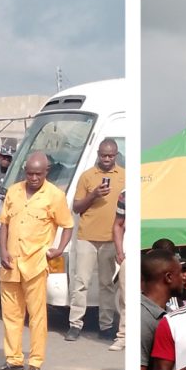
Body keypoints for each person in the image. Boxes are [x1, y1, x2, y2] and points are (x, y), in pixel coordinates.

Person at [0, 152, 73, 370]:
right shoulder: (13, 191)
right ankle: (13, 358)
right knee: (11, 313)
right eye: (30, 173)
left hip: (36, 263)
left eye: (38, 174)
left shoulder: (55, 196)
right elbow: (4, 224)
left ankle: (35, 360)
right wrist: (4, 252)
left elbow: (68, 225)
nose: (34, 178)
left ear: (46, 172)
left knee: (37, 315)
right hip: (11, 263)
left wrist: (58, 250)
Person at [66, 139, 124, 341]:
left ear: (116, 155)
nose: (107, 159)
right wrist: (93, 195)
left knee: (107, 284)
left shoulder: (124, 177)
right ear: (98, 154)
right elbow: (76, 207)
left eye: (111, 156)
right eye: (103, 155)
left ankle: (106, 326)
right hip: (86, 238)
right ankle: (75, 324)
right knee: (81, 282)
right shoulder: (87, 176)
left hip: (110, 239)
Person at [110, 187, 126, 352]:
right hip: (130, 254)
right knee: (126, 297)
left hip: (155, 252)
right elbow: (118, 224)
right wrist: (120, 251)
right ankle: (123, 337)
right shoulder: (126, 194)